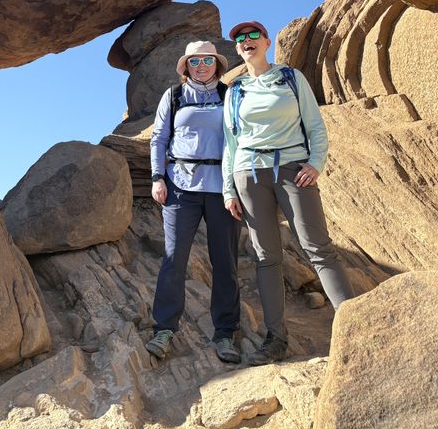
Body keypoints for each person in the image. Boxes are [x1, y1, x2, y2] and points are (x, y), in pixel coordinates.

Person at [222, 20, 354, 366]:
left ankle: (355, 325)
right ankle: (275, 338)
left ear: (266, 41)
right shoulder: (234, 91)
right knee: (266, 257)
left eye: (253, 36)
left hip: (292, 169)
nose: (246, 41)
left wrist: (316, 163)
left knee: (318, 248)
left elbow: (314, 125)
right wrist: (228, 190)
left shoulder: (290, 78)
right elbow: (231, 144)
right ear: (237, 49)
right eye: (239, 39)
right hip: (249, 174)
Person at [146, 41, 242, 364]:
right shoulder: (173, 97)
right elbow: (159, 138)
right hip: (180, 188)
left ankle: (226, 333)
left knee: (225, 260)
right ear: (186, 66)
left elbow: (242, 137)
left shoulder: (229, 95)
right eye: (195, 61)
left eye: (207, 60)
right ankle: (164, 329)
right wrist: (158, 177)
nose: (201, 65)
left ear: (217, 64)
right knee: (174, 259)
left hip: (221, 188)